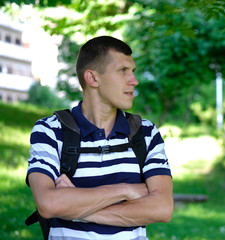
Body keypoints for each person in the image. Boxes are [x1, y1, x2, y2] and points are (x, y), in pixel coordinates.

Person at [26, 36, 173, 240]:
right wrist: (126, 190)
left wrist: (74, 208)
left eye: (133, 71)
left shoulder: (145, 133)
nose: (134, 80)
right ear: (93, 78)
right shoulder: (51, 130)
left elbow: (162, 209)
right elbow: (48, 204)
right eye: (123, 71)